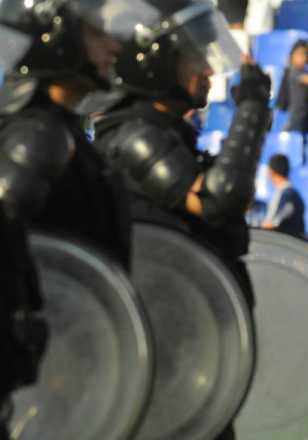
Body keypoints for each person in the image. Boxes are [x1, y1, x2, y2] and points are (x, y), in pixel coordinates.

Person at [92, 5, 271, 437]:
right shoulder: (135, 135)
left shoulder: (168, 133)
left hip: (191, 336)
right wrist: (250, 110)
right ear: (156, 67)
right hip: (162, 341)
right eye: (194, 59)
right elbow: (216, 200)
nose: (209, 70)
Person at [0, 0, 155, 435]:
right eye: (95, 33)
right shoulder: (36, 135)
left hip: (76, 364)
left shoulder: (62, 131)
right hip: (46, 378)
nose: (113, 45)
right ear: (53, 35)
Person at [276, 40, 308, 134]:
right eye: (300, 54)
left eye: (305, 54)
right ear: (292, 56)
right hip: (297, 117)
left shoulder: (306, 71)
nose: (303, 57)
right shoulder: (293, 71)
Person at [261, 154, 306, 239]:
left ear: (271, 172)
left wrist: (269, 225)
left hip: (287, 243)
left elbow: (285, 212)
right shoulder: (286, 192)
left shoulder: (288, 194)